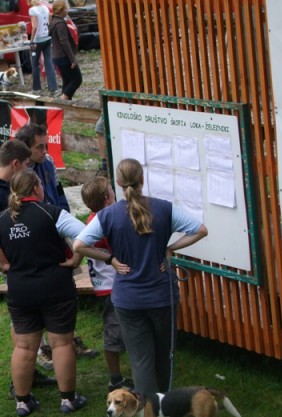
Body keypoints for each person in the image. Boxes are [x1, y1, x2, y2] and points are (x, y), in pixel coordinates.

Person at [74, 158, 208, 395]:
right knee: (163, 355)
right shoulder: (164, 208)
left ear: (117, 183)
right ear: (142, 180)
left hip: (128, 299)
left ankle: (149, 416)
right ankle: (163, 405)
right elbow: (200, 230)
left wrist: (110, 259)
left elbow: (79, 245)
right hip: (161, 296)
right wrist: (170, 248)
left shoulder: (107, 216)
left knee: (141, 359)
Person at [0, 170, 87, 417]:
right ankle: (68, 399)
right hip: (56, 287)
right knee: (61, 343)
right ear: (36, 188)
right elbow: (85, 234)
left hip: (20, 290)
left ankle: (22, 402)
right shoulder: (52, 213)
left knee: (23, 347)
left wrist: (2, 266)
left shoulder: (0, 220)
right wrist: (76, 259)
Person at [14, 123, 97, 365]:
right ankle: (42, 348)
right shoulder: (22, 174)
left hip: (56, 229)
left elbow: (59, 193)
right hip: (34, 239)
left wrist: (65, 221)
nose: (44, 150)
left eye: (46, 144)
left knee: (65, 288)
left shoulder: (47, 163)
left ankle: (67, 339)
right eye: (39, 147)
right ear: (25, 149)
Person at [0, 139, 57, 396]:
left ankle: (30, 373)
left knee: (30, 329)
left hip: (30, 269)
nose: (28, 168)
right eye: (26, 165)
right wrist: (6, 265)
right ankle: (21, 382)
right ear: (16, 164)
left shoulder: (8, 190)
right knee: (21, 330)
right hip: (18, 271)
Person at [80, 176, 135, 391]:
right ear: (106, 197)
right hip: (113, 285)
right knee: (115, 332)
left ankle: (119, 375)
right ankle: (116, 378)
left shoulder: (92, 218)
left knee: (117, 329)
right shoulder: (105, 221)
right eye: (112, 190)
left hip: (106, 284)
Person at [49, 0, 82, 100]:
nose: (67, 10)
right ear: (61, 10)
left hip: (57, 57)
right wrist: (72, 59)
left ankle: (65, 105)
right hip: (64, 57)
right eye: (66, 8)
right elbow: (64, 42)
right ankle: (62, 100)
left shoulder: (54, 21)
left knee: (67, 81)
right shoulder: (60, 24)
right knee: (77, 79)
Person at [28, 0, 58, 95]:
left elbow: (35, 26)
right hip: (47, 37)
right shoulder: (45, 8)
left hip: (38, 39)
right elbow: (49, 22)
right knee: (49, 62)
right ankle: (53, 88)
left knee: (35, 64)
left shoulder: (32, 10)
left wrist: (31, 40)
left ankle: (36, 89)